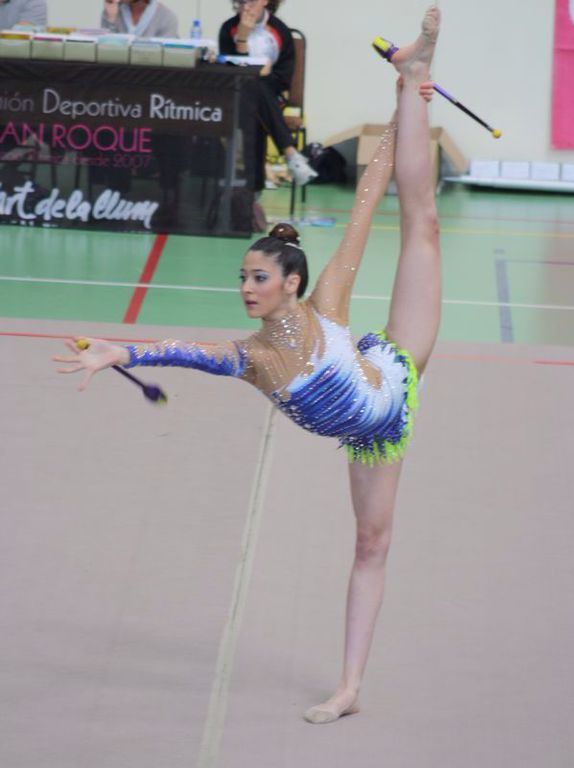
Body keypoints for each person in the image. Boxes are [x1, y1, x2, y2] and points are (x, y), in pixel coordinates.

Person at [55, 6, 441, 725]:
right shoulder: (252, 358)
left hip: (393, 371)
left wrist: (400, 106)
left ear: (289, 283)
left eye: (256, 278)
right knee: (370, 543)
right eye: (241, 278)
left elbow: (368, 194)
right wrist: (119, 351)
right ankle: (349, 687)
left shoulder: (327, 300)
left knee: (422, 224)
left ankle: (417, 68)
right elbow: (180, 353)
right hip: (373, 436)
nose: (244, 288)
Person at [219, 0, 317, 188]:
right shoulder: (229, 28)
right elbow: (230, 73)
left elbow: (283, 78)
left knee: (255, 94)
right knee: (251, 89)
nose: (246, 7)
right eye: (241, 2)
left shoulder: (280, 31)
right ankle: (290, 154)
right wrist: (241, 39)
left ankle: (252, 192)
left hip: (272, 97)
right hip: (236, 98)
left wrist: (261, 76)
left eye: (251, 1)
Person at [101, 0, 178, 38]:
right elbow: (106, 50)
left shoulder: (167, 17)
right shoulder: (113, 10)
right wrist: (111, 19)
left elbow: (165, 59)